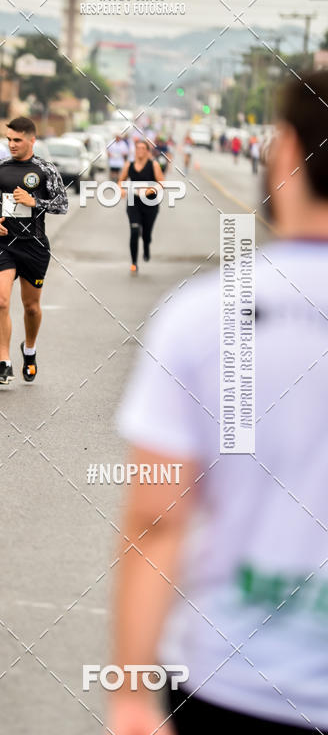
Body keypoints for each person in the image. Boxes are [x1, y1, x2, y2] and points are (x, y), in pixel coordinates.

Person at [111, 70, 328, 735]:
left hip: (238, 681)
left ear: (286, 152)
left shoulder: (205, 315)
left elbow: (157, 518)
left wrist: (128, 693)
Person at [0, 116, 68, 385]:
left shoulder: (45, 169)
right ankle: (3, 362)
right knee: (0, 301)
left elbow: (62, 205)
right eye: (8, 139)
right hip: (3, 243)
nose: (11, 144)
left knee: (31, 307)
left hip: (33, 245)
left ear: (32, 140)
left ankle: (29, 351)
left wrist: (34, 201)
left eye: (17, 140)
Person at [118, 140, 165, 274]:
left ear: (147, 151)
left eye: (142, 148)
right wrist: (120, 189)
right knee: (134, 230)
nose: (139, 151)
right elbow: (121, 181)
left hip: (150, 204)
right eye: (137, 148)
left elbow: (161, 183)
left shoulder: (153, 165)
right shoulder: (129, 165)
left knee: (146, 233)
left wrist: (149, 191)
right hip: (133, 202)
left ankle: (146, 245)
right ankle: (134, 263)